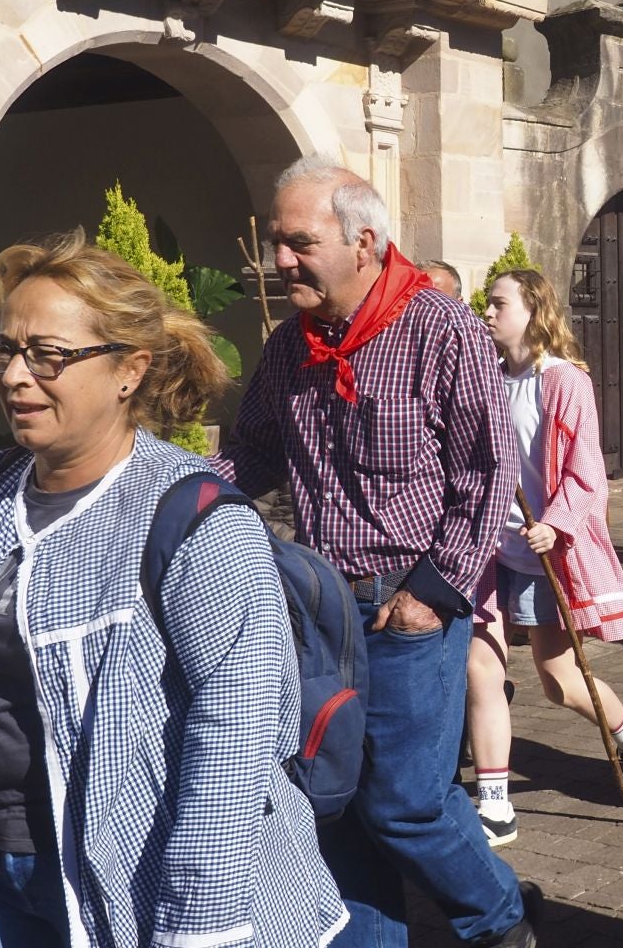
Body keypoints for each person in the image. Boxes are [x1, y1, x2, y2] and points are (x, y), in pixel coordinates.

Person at [0, 231, 345, 945]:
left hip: (134, 878)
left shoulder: (196, 521)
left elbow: (235, 735)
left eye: (48, 355)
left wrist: (197, 925)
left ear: (130, 371)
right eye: (7, 350)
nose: (15, 377)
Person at [211, 158, 538, 947]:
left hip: (410, 607)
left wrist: (434, 591)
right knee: (336, 796)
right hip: (322, 612)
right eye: (278, 242)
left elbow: (488, 472)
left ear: (362, 241)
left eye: (298, 242)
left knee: (404, 803)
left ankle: (499, 920)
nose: (280, 259)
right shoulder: (292, 346)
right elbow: (249, 456)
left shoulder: (442, 328)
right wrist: (165, 500)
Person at [468, 270, 623, 847]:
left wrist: (555, 524)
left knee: (557, 679)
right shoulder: (488, 381)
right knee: (483, 670)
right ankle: (494, 802)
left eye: (499, 304)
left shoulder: (564, 382)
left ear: (533, 310)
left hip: (541, 549)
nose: (488, 313)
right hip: (484, 549)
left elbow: (587, 477)